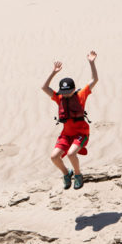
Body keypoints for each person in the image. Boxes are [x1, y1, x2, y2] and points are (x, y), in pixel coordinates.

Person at [41, 51, 98, 190]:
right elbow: (44, 88)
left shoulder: (81, 95)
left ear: (73, 89)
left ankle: (78, 175)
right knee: (54, 157)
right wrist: (53, 73)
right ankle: (67, 173)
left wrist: (91, 63)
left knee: (72, 153)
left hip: (81, 133)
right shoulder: (59, 98)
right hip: (66, 134)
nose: (65, 95)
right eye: (63, 92)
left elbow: (94, 80)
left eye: (68, 92)